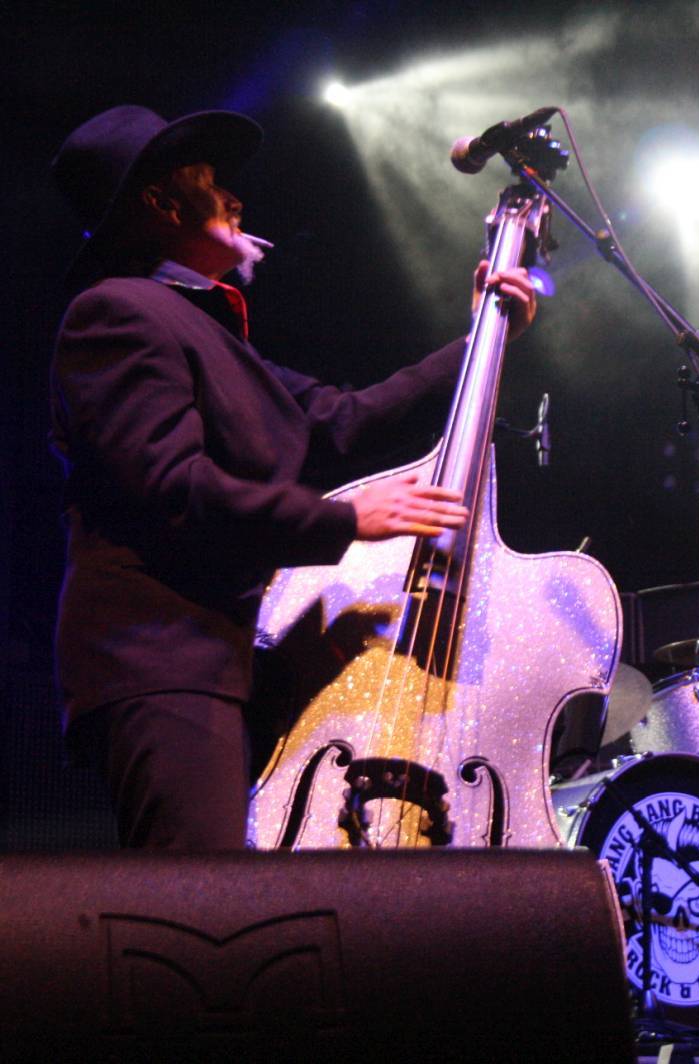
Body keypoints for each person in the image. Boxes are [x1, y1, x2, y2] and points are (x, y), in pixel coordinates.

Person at [47, 104, 537, 849]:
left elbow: (342, 419)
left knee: (224, 895)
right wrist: (348, 519)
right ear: (161, 203)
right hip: (159, 661)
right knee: (193, 900)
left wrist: (483, 340)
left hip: (218, 664)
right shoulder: (117, 313)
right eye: (207, 180)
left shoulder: (202, 331)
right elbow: (173, 487)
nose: (233, 197)